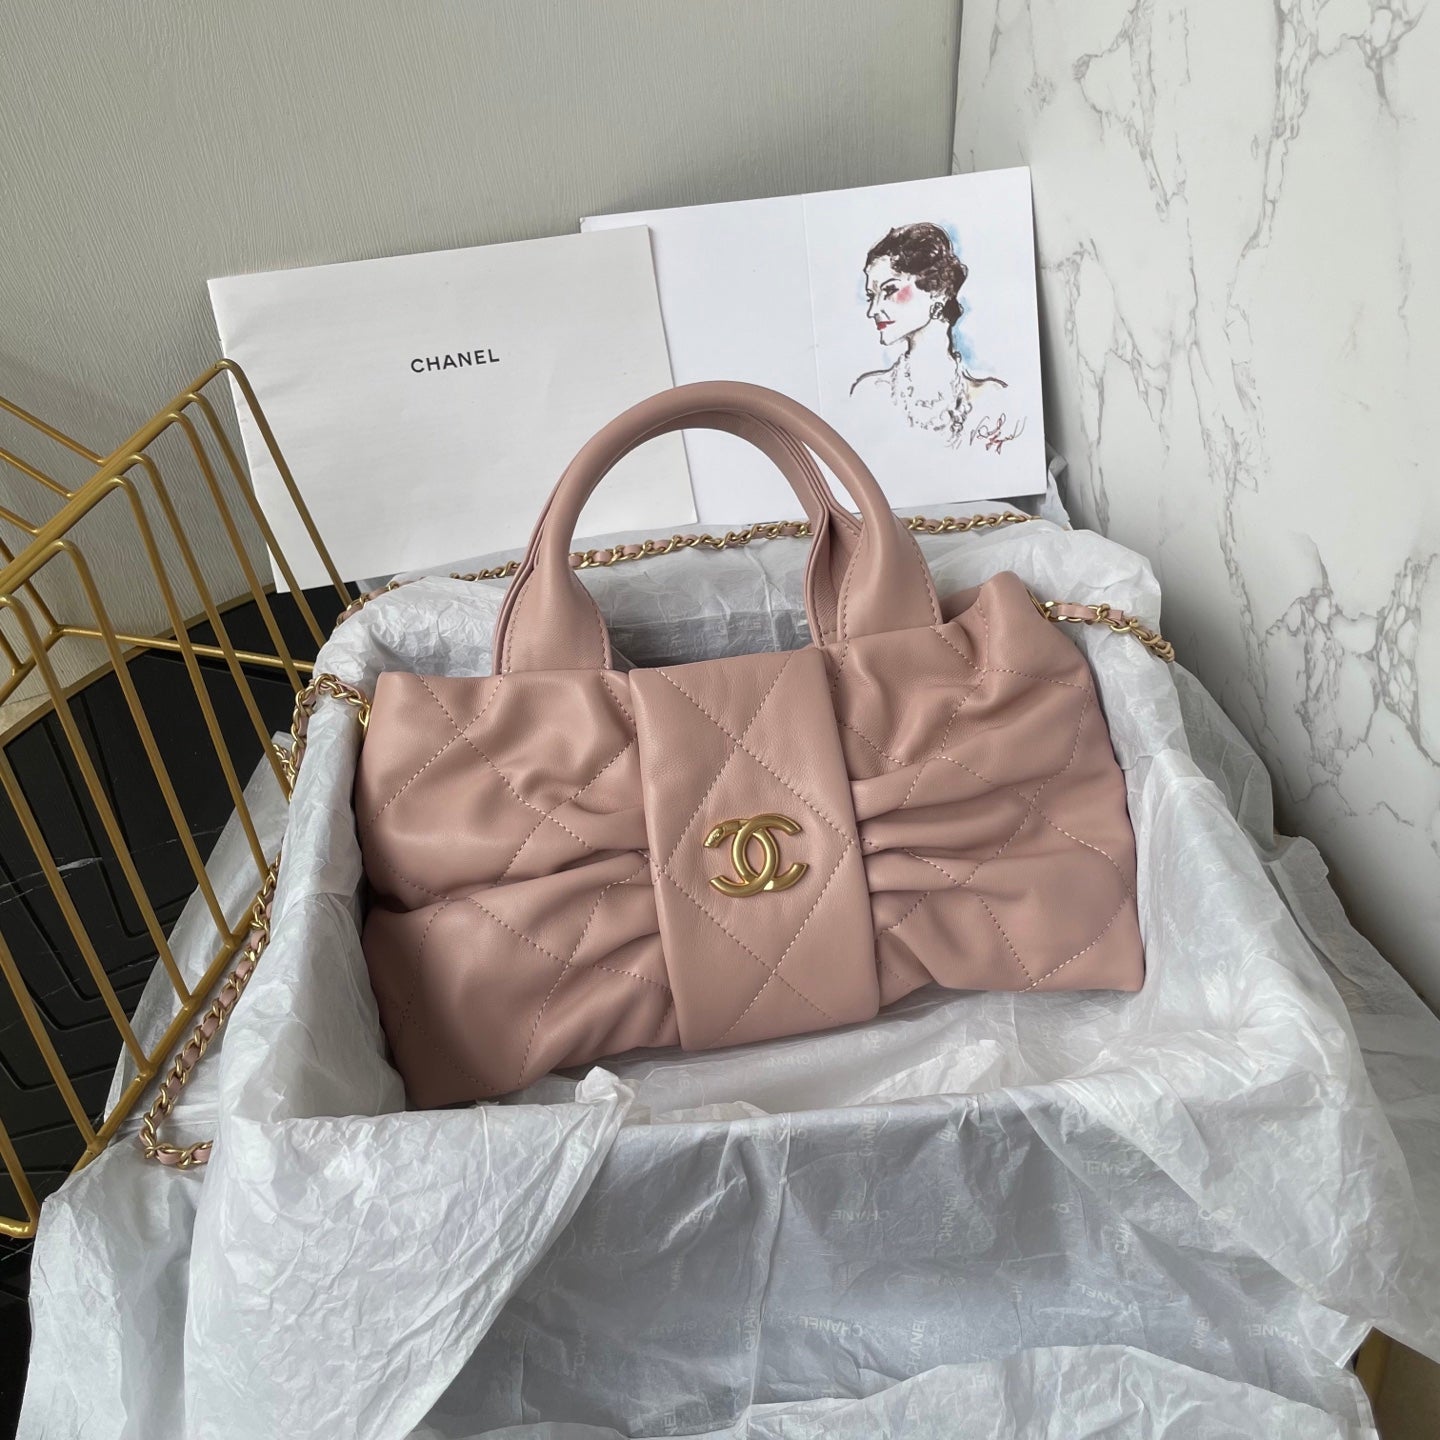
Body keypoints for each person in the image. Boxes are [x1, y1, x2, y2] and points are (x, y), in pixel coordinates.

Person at [851, 222, 1020, 451]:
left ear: (937, 290)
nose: (873, 310)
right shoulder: (869, 394)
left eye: (889, 290)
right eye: (871, 296)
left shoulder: (992, 399)